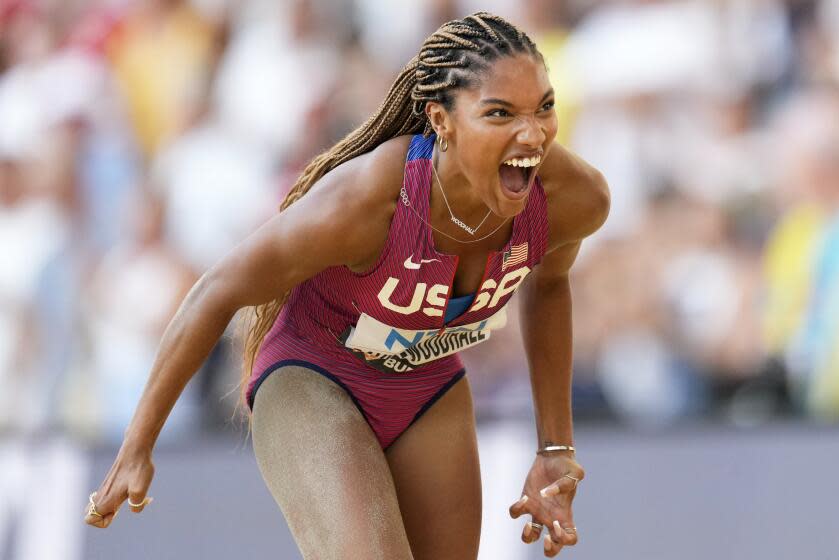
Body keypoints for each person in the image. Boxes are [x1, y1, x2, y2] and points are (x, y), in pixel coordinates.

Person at [84, 12, 609, 560]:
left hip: (426, 384)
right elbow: (216, 289)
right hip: (313, 374)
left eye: (543, 108)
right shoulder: (370, 201)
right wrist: (137, 446)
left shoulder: (573, 198)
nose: (533, 134)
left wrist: (554, 446)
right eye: (500, 113)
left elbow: (549, 286)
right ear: (442, 120)